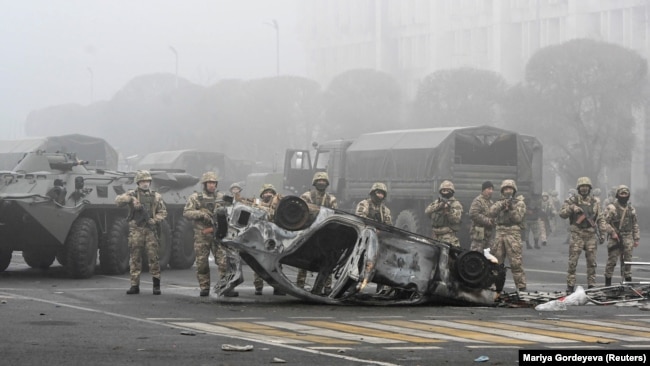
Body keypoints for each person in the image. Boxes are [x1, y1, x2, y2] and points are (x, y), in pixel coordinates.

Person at [183, 172, 238, 297]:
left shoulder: (221, 197)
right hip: (202, 235)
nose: (212, 185)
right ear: (204, 184)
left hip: (218, 235)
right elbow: (187, 213)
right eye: (209, 183)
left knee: (224, 262)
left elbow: (233, 209)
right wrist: (201, 214)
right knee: (202, 264)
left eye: (214, 183)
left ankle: (226, 287)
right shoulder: (196, 197)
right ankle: (204, 287)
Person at [115, 170, 167, 295]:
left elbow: (163, 212)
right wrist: (131, 199)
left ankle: (156, 285)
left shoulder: (156, 196)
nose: (145, 184)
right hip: (136, 229)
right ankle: (134, 285)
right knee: (135, 257)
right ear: (138, 182)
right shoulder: (132, 194)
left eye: (147, 181)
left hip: (150, 230)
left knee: (153, 257)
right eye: (143, 181)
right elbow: (118, 201)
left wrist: (154, 220)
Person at [559, 177, 607, 293]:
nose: (584, 188)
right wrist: (572, 208)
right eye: (582, 186)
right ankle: (570, 286)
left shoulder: (595, 202)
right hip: (577, 234)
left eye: (586, 186)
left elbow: (600, 218)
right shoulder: (572, 200)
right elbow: (562, 213)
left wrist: (602, 234)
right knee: (573, 262)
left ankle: (591, 286)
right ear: (578, 188)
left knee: (592, 262)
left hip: (590, 234)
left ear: (589, 188)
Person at [298, 172, 338, 292]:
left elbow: (334, 214)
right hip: (308, 231)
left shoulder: (331, 199)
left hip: (325, 234)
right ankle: (300, 285)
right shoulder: (306, 196)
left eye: (324, 181)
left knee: (327, 259)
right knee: (303, 259)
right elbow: (300, 211)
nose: (321, 183)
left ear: (327, 184)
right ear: (315, 183)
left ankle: (327, 287)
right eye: (319, 181)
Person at [489, 179, 527, 292]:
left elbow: (518, 218)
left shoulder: (519, 203)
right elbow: (491, 213)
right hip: (500, 232)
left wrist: (511, 209)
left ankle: (521, 287)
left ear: (514, 190)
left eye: (510, 188)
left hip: (512, 233)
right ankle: (496, 286)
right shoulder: (499, 202)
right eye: (505, 189)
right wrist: (501, 205)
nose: (508, 191)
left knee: (516, 262)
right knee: (497, 262)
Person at [603, 185, 640, 285]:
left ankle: (627, 284)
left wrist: (636, 238)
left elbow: (635, 224)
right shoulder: (612, 208)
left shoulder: (631, 209)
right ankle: (607, 284)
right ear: (617, 195)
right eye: (621, 193)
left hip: (628, 237)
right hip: (616, 238)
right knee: (612, 261)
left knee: (627, 262)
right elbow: (604, 223)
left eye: (625, 194)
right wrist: (612, 232)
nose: (624, 196)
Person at [253, 183, 285, 296]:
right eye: (266, 192)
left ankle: (278, 287)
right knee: (258, 262)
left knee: (277, 263)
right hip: (261, 237)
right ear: (262, 195)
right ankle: (258, 286)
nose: (268, 194)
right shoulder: (256, 205)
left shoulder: (278, 206)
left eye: (271, 192)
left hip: (275, 237)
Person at [424, 180, 463, 247]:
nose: (445, 192)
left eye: (447, 190)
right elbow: (427, 211)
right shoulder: (437, 202)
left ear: (452, 191)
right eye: (443, 190)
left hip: (447, 237)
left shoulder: (455, 204)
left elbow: (456, 219)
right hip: (435, 236)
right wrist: (439, 206)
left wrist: (448, 212)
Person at [469, 181, 495, 252]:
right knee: (477, 254)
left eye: (492, 189)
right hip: (479, 233)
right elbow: (473, 214)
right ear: (483, 190)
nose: (491, 191)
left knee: (489, 255)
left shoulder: (491, 202)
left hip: (488, 234)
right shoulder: (478, 201)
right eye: (489, 189)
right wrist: (487, 221)